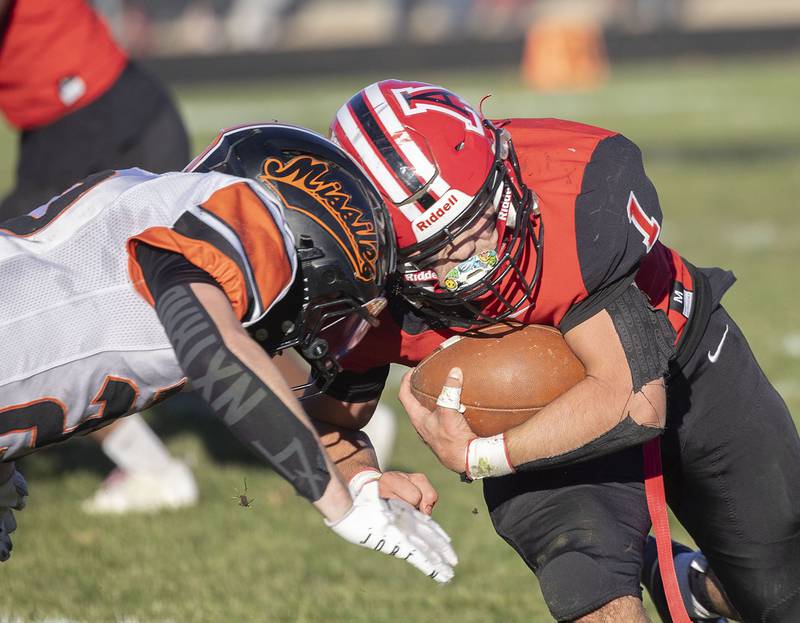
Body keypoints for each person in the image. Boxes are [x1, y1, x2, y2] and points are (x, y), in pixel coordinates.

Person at [298, 80, 798, 622]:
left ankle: (698, 588)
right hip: (534, 419)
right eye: (443, 250)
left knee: (779, 590)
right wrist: (367, 483)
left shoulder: (578, 188)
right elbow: (328, 425)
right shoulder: (362, 290)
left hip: (675, 350)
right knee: (592, 589)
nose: (480, 254)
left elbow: (635, 401)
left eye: (480, 218)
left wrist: (478, 457)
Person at [0, 123, 458, 585]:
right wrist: (337, 506)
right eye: (325, 303)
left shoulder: (165, 207)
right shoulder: (251, 216)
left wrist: (359, 484)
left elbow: (43, 333)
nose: (315, 328)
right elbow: (213, 351)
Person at [0, 0, 197, 514]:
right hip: (108, 107)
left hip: (86, 119)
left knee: (29, 307)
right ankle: (340, 415)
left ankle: (152, 469)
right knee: (201, 292)